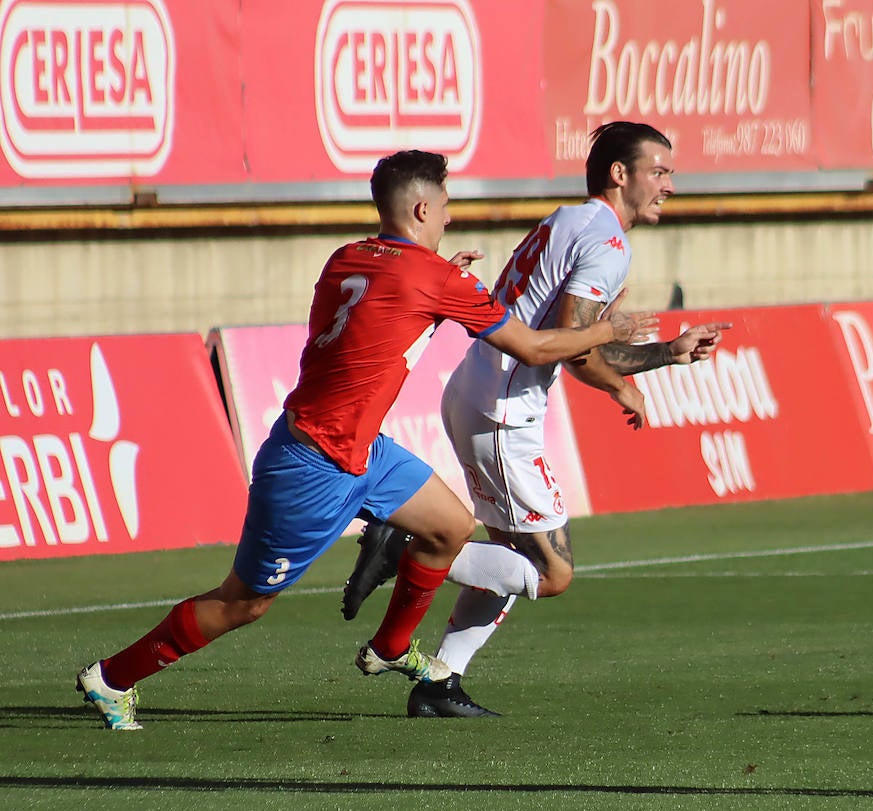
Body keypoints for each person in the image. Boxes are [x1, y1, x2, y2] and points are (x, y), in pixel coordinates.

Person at [75, 149, 656, 730]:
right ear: (423, 207)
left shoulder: (347, 258)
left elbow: (385, 310)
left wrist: (442, 279)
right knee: (243, 602)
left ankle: (395, 646)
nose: (449, 218)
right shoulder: (434, 278)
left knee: (450, 528)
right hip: (312, 466)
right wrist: (612, 328)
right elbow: (532, 347)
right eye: (446, 208)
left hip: (362, 450)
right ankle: (113, 677)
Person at [339, 121, 730, 718]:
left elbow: (555, 326)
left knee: (509, 562)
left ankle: (439, 683)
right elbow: (577, 346)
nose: (669, 185)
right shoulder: (607, 244)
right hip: (502, 411)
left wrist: (664, 353)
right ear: (618, 174)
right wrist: (626, 384)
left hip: (478, 391)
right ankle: (402, 546)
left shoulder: (567, 219)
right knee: (551, 573)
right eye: (660, 171)